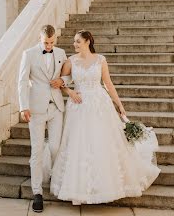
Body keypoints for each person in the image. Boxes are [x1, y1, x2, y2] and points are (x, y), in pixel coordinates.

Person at [50, 30, 160, 205]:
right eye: (74, 42)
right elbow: (61, 82)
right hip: (78, 106)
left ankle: (106, 185)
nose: (75, 44)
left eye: (78, 41)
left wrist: (119, 104)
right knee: (80, 144)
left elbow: (108, 84)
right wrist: (70, 92)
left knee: (103, 143)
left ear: (87, 41)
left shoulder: (100, 60)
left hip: (100, 105)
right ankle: (80, 188)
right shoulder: (70, 61)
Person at [18, 24, 67, 213]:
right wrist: (23, 107)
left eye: (52, 42)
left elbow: (70, 75)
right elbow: (22, 81)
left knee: (55, 147)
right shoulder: (28, 54)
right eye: (46, 42)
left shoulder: (61, 53)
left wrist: (63, 81)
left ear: (55, 39)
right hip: (36, 109)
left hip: (56, 107)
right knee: (37, 151)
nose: (48, 45)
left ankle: (56, 179)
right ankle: (37, 193)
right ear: (40, 38)